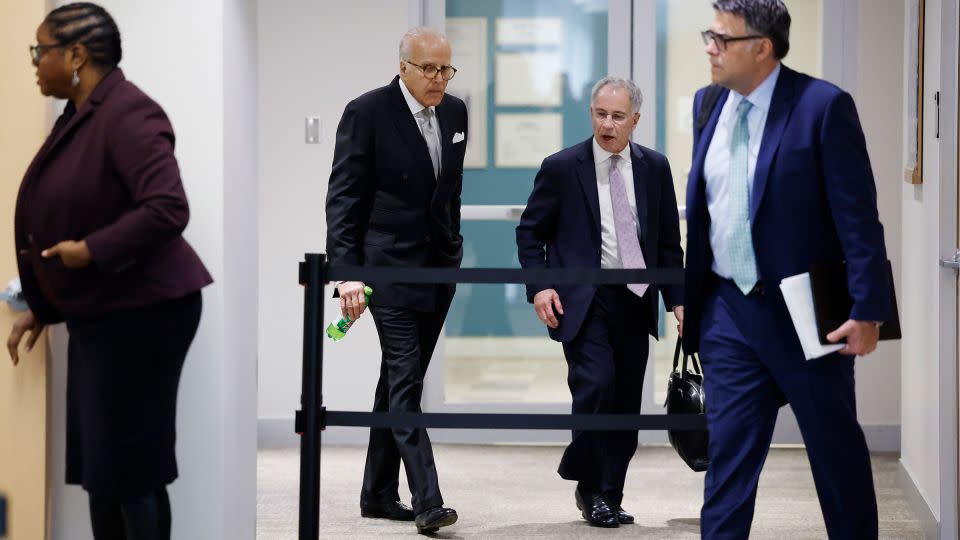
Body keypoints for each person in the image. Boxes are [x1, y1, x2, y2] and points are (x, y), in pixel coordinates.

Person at [683, 1, 896, 538]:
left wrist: (869, 309)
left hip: (807, 312)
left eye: (721, 39)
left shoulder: (822, 107)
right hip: (728, 312)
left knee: (835, 454)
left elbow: (858, 216)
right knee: (726, 462)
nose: (710, 47)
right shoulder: (707, 104)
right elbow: (711, 209)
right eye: (709, 35)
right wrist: (695, 303)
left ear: (762, 47)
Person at [7, 3, 212, 539]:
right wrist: (41, 307)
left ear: (75, 54)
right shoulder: (84, 112)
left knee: (132, 470)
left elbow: (168, 207)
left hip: (145, 316)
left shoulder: (128, 112)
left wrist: (91, 250)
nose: (35, 62)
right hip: (104, 314)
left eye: (41, 50)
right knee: (104, 471)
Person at [516, 77, 684, 528]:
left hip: (635, 297)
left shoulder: (655, 167)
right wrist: (541, 287)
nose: (607, 125)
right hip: (582, 299)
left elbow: (668, 242)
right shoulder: (561, 166)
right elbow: (531, 233)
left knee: (626, 402)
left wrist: (678, 301)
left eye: (617, 116)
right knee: (596, 387)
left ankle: (610, 492)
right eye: (599, 114)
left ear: (635, 119)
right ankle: (589, 488)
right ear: (591, 112)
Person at [324, 26, 466, 534]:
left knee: (396, 381)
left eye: (446, 69)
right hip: (385, 269)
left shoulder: (455, 113)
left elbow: (449, 191)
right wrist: (347, 276)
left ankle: (377, 493)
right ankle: (428, 500)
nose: (438, 79)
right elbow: (344, 199)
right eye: (428, 68)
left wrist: (453, 248)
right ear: (403, 65)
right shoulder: (367, 112)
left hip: (437, 268)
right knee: (406, 381)